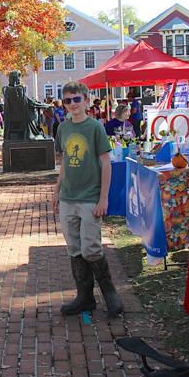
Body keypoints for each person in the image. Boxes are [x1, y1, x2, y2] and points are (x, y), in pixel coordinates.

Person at [53, 81, 123, 318]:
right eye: (68, 100)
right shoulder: (62, 128)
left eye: (76, 99)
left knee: (91, 247)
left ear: (86, 100)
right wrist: (57, 190)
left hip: (90, 197)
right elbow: (63, 163)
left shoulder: (95, 128)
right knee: (74, 248)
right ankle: (85, 297)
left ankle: (110, 293)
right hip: (68, 198)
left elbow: (106, 162)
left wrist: (103, 198)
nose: (72, 104)